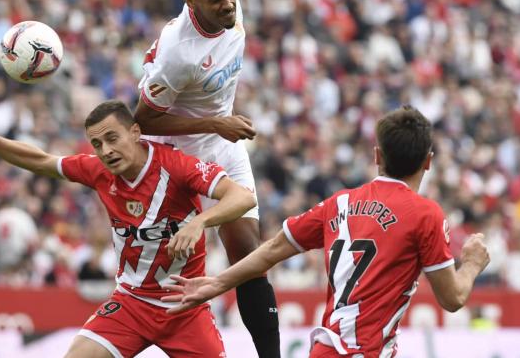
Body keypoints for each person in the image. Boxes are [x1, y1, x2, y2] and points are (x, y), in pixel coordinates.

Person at [162, 106, 491, 358]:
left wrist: (217, 283)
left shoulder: (339, 203)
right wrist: (473, 263)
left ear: (377, 156)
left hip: (324, 349)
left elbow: (273, 249)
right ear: (429, 161)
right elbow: (452, 298)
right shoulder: (425, 214)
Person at [0, 100, 257, 358]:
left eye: (112, 138)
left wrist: (200, 222)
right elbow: (39, 160)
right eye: (96, 143)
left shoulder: (177, 166)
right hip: (132, 302)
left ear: (135, 132)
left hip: (185, 305)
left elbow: (242, 197)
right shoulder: (98, 171)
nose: (104, 150)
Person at [135, 0, 280, 357]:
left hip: (223, 143)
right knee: (168, 268)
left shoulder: (232, 19)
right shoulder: (177, 53)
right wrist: (217, 123)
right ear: (190, 0)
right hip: (177, 154)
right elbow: (142, 121)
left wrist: (221, 124)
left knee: (248, 254)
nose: (228, 3)